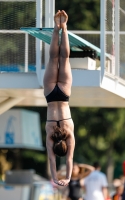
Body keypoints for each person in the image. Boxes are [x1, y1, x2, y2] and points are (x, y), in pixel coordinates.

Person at [43, 10, 75, 187]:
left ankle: (64, 27)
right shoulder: (50, 135)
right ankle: (57, 28)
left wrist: (68, 177)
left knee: (65, 58)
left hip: (63, 95)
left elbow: (69, 158)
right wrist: (55, 178)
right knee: (53, 58)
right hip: (49, 94)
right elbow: (51, 160)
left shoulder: (68, 133)